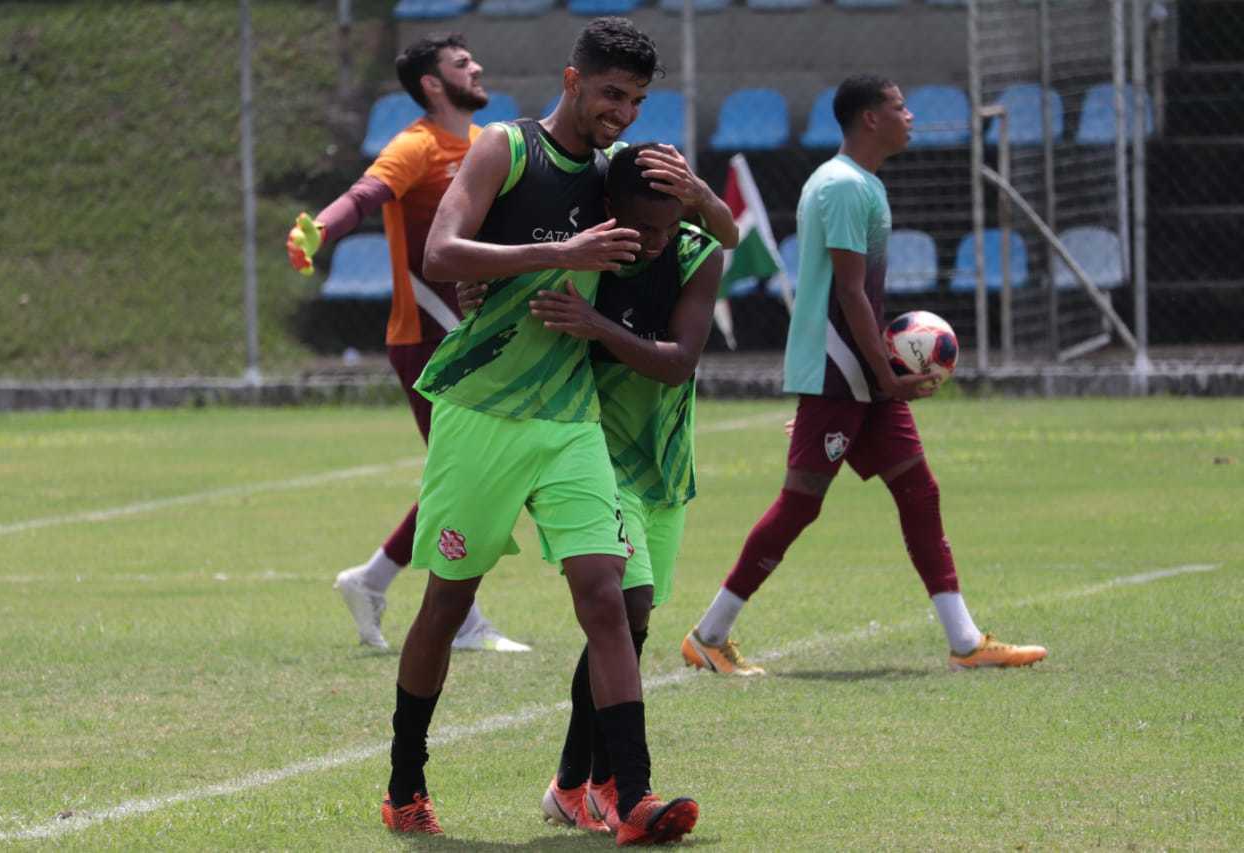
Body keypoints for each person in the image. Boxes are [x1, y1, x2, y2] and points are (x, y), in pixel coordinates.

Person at [380, 19, 700, 845]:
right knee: (446, 604)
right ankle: (404, 783)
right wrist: (551, 253)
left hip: (567, 419)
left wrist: (700, 201)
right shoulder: (503, 150)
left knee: (609, 598)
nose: (621, 113)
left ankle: (630, 796)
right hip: (480, 415)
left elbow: (708, 240)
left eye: (635, 100)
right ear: (572, 80)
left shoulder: (610, 179)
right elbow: (444, 252)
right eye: (610, 94)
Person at [680, 74, 1048, 677]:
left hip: (860, 376)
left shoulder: (859, 183)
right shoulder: (845, 187)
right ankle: (708, 635)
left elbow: (854, 295)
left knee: (919, 492)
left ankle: (965, 642)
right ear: (870, 118)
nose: (911, 117)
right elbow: (850, 294)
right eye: (901, 107)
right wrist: (889, 375)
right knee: (800, 504)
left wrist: (882, 378)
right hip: (842, 372)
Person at [286, 33, 527, 653]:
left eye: (473, 58)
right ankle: (462, 621)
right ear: (432, 83)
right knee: (468, 476)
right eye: (461, 63)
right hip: (426, 339)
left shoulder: (484, 143)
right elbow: (365, 196)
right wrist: (319, 232)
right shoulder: (415, 145)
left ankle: (372, 580)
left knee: (472, 474)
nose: (476, 66)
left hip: (474, 335)